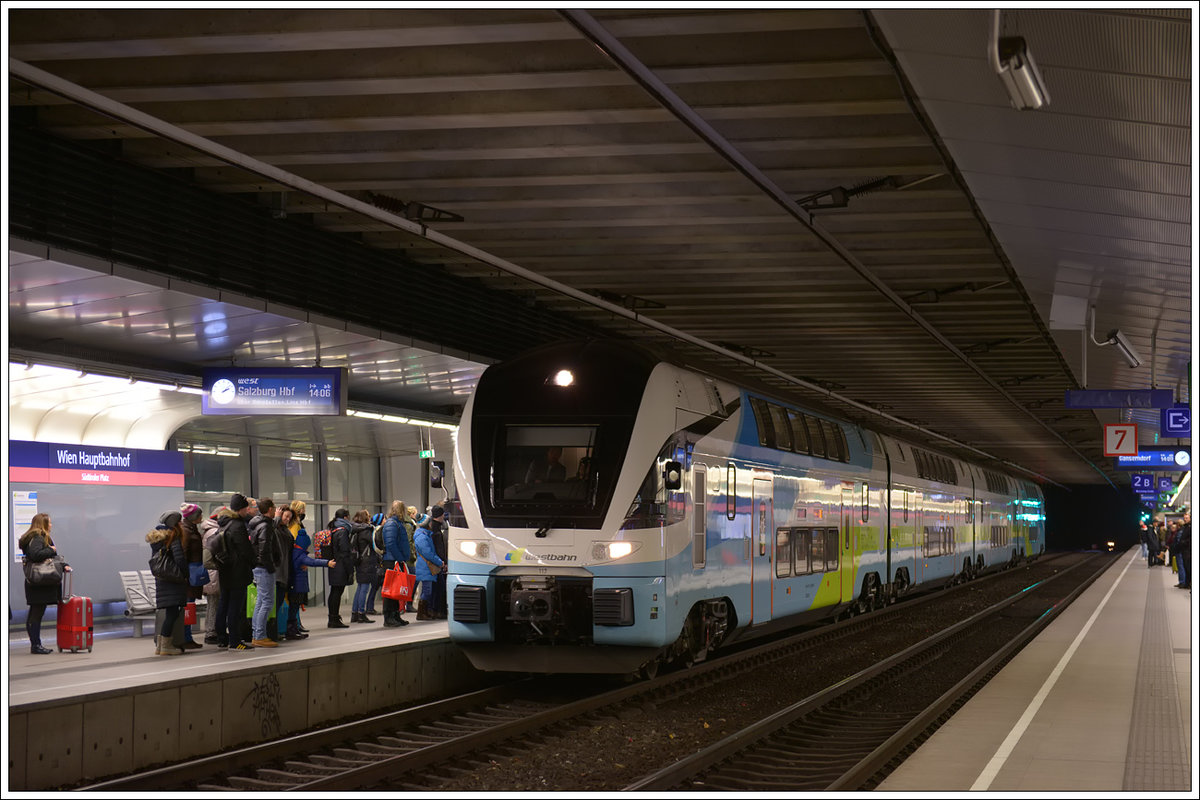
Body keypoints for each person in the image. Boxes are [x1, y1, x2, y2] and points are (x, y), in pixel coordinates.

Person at [19, 512, 70, 654]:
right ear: (43, 524)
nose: (51, 525)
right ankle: (36, 645)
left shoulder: (37, 537)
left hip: (38, 582)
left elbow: (51, 559)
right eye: (50, 522)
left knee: (35, 612)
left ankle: (36, 644)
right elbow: (36, 555)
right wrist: (51, 549)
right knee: (36, 613)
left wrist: (64, 564)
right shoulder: (38, 537)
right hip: (39, 582)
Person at [216, 493, 257, 650]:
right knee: (235, 607)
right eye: (246, 507)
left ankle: (222, 638)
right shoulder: (238, 525)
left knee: (223, 604)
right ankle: (235, 641)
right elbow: (245, 549)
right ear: (241, 508)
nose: (247, 510)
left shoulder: (223, 523)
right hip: (237, 571)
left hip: (224, 569)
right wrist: (254, 562)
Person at [146, 511, 189, 656]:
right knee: (172, 613)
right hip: (174, 580)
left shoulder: (158, 539)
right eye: (179, 521)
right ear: (174, 523)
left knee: (170, 612)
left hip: (163, 579)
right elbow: (179, 559)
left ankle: (160, 646)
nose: (181, 523)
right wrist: (185, 575)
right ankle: (166, 646)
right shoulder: (172, 537)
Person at [248, 497, 283, 648]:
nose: (275, 510)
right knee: (267, 602)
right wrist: (271, 567)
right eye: (274, 508)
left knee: (261, 602)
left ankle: (257, 634)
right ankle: (260, 636)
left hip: (259, 568)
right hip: (264, 569)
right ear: (269, 509)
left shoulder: (259, 524)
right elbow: (264, 549)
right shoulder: (265, 527)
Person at [287, 529, 333, 639]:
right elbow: (313, 562)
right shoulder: (300, 556)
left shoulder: (294, 553)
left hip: (295, 585)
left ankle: (293, 629)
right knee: (294, 609)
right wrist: (327, 563)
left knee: (294, 608)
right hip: (298, 586)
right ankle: (291, 631)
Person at [380, 501, 413, 627]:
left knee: (396, 589)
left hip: (395, 559)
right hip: (392, 560)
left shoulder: (395, 523)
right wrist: (399, 558)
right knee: (390, 590)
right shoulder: (392, 524)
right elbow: (391, 543)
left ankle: (395, 615)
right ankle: (388, 617)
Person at [179, 503, 206, 650]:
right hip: (189, 574)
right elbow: (183, 553)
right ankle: (185, 637)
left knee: (189, 605)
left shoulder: (191, 529)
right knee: (188, 606)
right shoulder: (186, 531)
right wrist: (185, 574)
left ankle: (187, 636)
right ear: (194, 517)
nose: (201, 517)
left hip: (192, 572)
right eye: (199, 514)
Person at [413, 506, 446, 620]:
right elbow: (428, 553)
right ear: (427, 524)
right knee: (427, 591)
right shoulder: (422, 537)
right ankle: (421, 613)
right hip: (426, 567)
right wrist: (439, 562)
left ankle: (425, 611)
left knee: (428, 590)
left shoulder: (425, 535)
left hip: (426, 566)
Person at [326, 509, 355, 628]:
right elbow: (345, 551)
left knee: (334, 592)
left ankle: (332, 617)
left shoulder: (333, 528)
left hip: (333, 564)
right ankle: (334, 619)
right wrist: (350, 569)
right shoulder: (342, 531)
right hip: (341, 565)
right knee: (337, 592)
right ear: (345, 517)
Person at [199, 507, 225, 645]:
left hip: (212, 572)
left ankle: (212, 630)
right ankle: (211, 632)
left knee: (213, 602)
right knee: (214, 602)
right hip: (214, 572)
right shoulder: (214, 532)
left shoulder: (209, 530)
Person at [349, 509, 378, 623]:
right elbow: (374, 544)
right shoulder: (366, 531)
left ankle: (355, 613)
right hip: (367, 561)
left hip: (358, 561)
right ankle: (361, 613)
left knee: (360, 587)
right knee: (364, 588)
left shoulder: (354, 529)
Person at [272, 505, 295, 640]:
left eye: (289, 518)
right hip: (276, 571)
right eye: (286, 516)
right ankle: (270, 632)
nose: (287, 520)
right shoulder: (274, 527)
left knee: (279, 601)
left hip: (284, 571)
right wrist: (276, 518)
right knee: (273, 604)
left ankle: (274, 631)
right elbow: (269, 531)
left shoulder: (285, 530)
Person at [1176, 511, 1191, 590]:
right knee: (1185, 567)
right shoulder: (1185, 527)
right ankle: (1187, 583)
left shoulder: (1190, 527)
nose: (1185, 519)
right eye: (1184, 518)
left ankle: (1188, 583)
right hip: (1184, 550)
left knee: (1188, 567)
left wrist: (1183, 542)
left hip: (1188, 550)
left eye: (1187, 518)